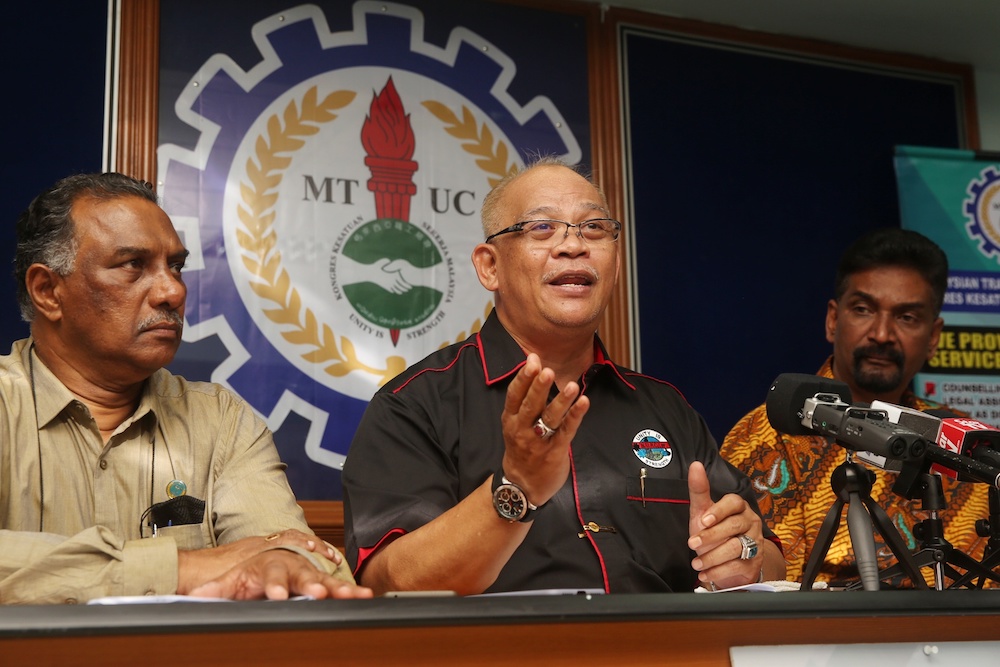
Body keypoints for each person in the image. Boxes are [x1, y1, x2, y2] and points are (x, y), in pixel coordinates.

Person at [343, 158, 785, 595]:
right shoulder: (414, 403)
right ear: (489, 266)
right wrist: (515, 489)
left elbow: (768, 555)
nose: (573, 246)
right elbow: (390, 583)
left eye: (594, 228)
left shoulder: (665, 406)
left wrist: (744, 558)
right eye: (542, 228)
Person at [1, 172, 373, 604]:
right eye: (132, 265)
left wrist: (285, 564)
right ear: (48, 291)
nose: (172, 291)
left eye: (175, 266)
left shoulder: (220, 420)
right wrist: (184, 567)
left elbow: (308, 563)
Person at [721, 227, 990, 586]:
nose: (881, 333)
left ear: (934, 337)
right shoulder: (767, 436)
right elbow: (771, 589)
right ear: (834, 320)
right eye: (863, 310)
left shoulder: (962, 443)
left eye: (907, 317)